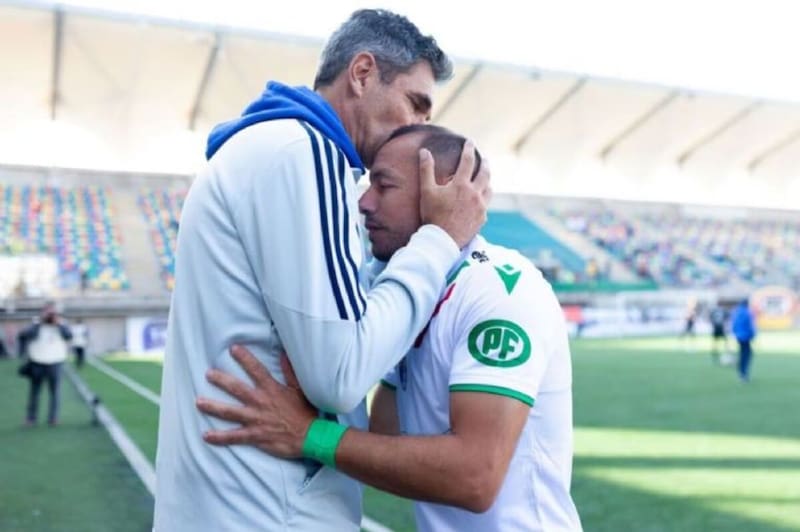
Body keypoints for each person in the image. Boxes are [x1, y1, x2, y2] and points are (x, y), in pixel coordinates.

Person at [153, 10, 490, 532]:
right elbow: (340, 373)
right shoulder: (304, 152)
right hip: (268, 510)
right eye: (414, 104)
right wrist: (441, 239)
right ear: (361, 73)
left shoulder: (267, 147)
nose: (420, 129)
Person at [197, 125, 582, 531]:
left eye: (384, 186)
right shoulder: (414, 290)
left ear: (442, 191)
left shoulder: (499, 289)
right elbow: (384, 436)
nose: (364, 202)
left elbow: (476, 477)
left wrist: (310, 435)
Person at [17, 303, 72, 426]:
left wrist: (58, 323)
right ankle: (31, 418)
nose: (50, 315)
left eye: (52, 312)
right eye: (48, 312)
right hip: (37, 361)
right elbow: (26, 335)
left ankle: (53, 418)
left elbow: (68, 336)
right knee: (35, 392)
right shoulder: (35, 323)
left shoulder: (61, 323)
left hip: (55, 362)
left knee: (55, 392)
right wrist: (40, 322)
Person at [731, 298, 757, 382]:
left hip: (739, 336)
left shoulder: (736, 312)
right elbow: (751, 326)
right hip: (746, 336)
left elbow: (733, 325)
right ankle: (744, 373)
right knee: (746, 355)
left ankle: (741, 372)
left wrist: (735, 333)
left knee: (742, 354)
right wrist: (753, 335)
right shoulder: (747, 313)